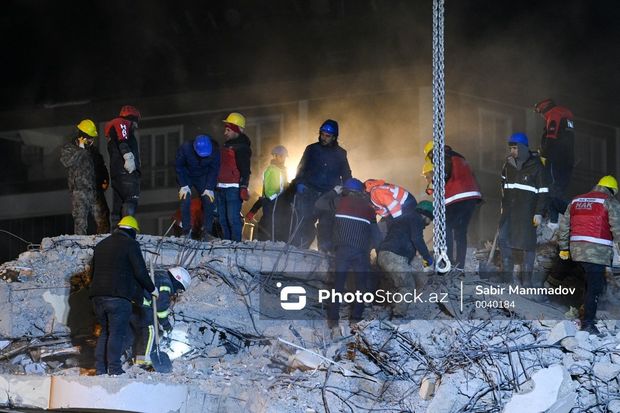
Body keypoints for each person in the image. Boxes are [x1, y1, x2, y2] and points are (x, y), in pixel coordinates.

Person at [89, 216, 157, 376]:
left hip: (97, 298)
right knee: (116, 333)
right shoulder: (131, 245)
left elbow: (92, 273)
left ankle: (99, 369)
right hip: (118, 299)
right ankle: (114, 369)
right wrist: (152, 288)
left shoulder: (101, 245)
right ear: (133, 231)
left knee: (105, 332)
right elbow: (140, 271)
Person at [558, 175, 620, 335]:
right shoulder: (610, 202)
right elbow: (617, 229)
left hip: (576, 250)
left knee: (586, 283)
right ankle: (588, 324)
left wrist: (564, 248)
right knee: (594, 288)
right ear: (612, 190)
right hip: (597, 252)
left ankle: (580, 311)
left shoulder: (576, 200)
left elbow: (564, 225)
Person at [315, 178, 376, 332]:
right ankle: (355, 320)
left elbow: (319, 205)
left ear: (345, 191)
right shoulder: (369, 208)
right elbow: (376, 234)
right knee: (361, 287)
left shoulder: (338, 202)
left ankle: (334, 322)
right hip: (362, 253)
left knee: (338, 286)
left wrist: (333, 192)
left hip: (343, 251)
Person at [293, 119, 352, 251]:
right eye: (322, 134)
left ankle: (324, 255)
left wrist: (349, 188)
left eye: (327, 136)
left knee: (326, 226)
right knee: (305, 223)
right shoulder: (311, 149)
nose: (324, 138)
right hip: (310, 193)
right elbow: (301, 168)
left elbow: (346, 173)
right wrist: (300, 183)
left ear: (334, 137)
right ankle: (301, 251)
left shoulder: (340, 153)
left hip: (329, 196)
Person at [499, 132, 549, 287]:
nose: (512, 151)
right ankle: (507, 277)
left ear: (522, 148)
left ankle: (526, 280)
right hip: (509, 211)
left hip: (528, 212)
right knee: (503, 238)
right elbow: (503, 187)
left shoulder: (536, 166)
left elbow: (543, 191)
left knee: (528, 244)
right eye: (511, 148)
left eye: (515, 148)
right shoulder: (508, 165)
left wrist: (539, 212)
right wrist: (502, 206)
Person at [423, 140, 482, 271]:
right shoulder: (457, 156)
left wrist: (433, 184)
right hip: (471, 197)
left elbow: (444, 175)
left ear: (432, 153)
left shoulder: (443, 156)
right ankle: (459, 266)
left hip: (456, 198)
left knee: (446, 228)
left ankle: (447, 262)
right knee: (461, 233)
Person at [375, 199, 434, 317]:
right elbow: (417, 239)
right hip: (395, 257)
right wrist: (428, 257)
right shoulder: (416, 219)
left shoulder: (404, 220)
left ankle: (390, 309)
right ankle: (398, 316)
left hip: (383, 255)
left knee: (396, 285)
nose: (428, 224)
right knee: (408, 286)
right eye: (430, 220)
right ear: (425, 215)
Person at [131, 266, 191, 367]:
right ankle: (143, 363)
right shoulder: (165, 284)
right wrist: (167, 326)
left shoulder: (158, 276)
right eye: (179, 288)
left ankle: (132, 358)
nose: (177, 292)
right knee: (151, 330)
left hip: (130, 304)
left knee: (136, 334)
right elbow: (160, 309)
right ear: (177, 280)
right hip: (141, 305)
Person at [60, 119, 110, 235]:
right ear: (82, 136)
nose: (92, 141)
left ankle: (103, 240)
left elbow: (101, 165)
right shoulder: (70, 148)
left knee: (103, 218)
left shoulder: (93, 150)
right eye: (90, 138)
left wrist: (105, 179)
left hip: (95, 190)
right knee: (80, 220)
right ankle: (80, 244)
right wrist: (80, 150)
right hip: (79, 190)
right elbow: (67, 162)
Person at [534, 98, 575, 228]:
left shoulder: (554, 114)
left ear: (543, 109)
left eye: (540, 113)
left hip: (555, 159)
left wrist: (543, 154)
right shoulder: (566, 117)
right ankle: (554, 221)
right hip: (567, 159)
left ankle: (574, 215)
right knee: (558, 190)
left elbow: (551, 138)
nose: (541, 116)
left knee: (551, 189)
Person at [176, 134, 220, 240]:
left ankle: (207, 232)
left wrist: (209, 187)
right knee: (185, 199)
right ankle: (186, 232)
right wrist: (183, 185)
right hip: (187, 175)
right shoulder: (185, 148)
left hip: (203, 177)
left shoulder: (215, 150)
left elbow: (214, 169)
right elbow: (179, 166)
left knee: (209, 201)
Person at [216, 112, 252, 241]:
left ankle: (236, 245)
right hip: (220, 188)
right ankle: (227, 244)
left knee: (232, 219)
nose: (225, 133)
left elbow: (245, 170)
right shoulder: (226, 146)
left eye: (228, 130)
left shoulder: (242, 148)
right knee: (223, 219)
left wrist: (243, 186)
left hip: (233, 189)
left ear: (237, 129)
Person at [104, 105, 142, 224]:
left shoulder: (113, 132)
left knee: (118, 206)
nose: (136, 126)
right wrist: (128, 157)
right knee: (131, 200)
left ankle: (116, 233)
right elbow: (123, 142)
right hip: (127, 173)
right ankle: (127, 230)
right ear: (133, 118)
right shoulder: (122, 123)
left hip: (117, 174)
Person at [247, 145, 290, 241]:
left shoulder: (283, 170)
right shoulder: (271, 170)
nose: (283, 159)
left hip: (279, 202)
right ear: (275, 156)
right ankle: (263, 242)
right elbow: (268, 192)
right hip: (272, 202)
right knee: (268, 223)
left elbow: (283, 185)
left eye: (284, 156)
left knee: (278, 224)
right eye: (281, 156)